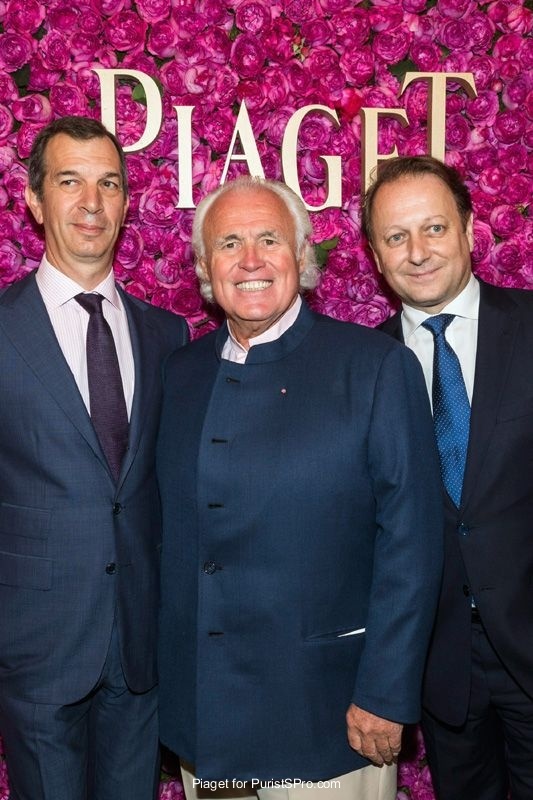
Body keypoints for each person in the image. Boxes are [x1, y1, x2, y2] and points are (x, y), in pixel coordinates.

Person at [156, 176, 443, 800]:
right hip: (206, 714)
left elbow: (413, 545)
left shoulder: (374, 367)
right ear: (205, 266)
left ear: (303, 254)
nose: (250, 260)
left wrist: (385, 693)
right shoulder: (180, 374)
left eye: (269, 239)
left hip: (327, 712)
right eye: (229, 243)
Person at [0, 115, 188, 800]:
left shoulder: (168, 335)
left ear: (126, 201)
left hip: (140, 648)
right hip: (35, 648)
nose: (91, 203)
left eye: (109, 183)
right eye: (70, 182)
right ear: (33, 198)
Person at [364, 154, 533, 800]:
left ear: (467, 229)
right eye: (396, 237)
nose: (417, 252)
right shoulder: (365, 367)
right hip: (441, 672)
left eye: (433, 228)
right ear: (376, 256)